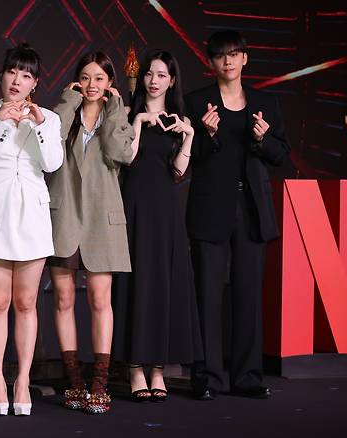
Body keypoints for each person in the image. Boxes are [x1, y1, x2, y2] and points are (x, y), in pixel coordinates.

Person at [184, 30, 290, 401]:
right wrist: (207, 134)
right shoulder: (196, 102)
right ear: (211, 63)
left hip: (251, 209)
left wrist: (262, 139)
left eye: (234, 54)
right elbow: (187, 158)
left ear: (245, 58)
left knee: (248, 295)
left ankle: (246, 376)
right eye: (220, 56)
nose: (227, 61)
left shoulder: (266, 102)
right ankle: (207, 377)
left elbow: (281, 155)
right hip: (210, 207)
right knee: (207, 295)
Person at [0, 43, 63, 416]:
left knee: (26, 302)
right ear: (1, 75)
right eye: (12, 72)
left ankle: (22, 378)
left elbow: (53, 164)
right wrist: (1, 124)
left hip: (32, 216)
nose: (17, 80)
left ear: (35, 83)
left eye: (26, 75)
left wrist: (38, 127)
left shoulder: (49, 119)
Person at [112, 49, 203, 403]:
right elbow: (128, 160)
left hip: (166, 213)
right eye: (150, 73)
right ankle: (135, 368)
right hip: (133, 209)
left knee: (163, 286)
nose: (153, 80)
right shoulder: (126, 115)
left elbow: (179, 172)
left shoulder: (178, 119)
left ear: (172, 80)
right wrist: (137, 124)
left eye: (162, 74)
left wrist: (190, 135)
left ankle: (158, 370)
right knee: (136, 284)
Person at [48, 51, 135, 414]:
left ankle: (100, 382)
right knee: (64, 300)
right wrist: (68, 101)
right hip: (64, 215)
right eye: (85, 77)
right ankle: (75, 382)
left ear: (110, 83)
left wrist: (116, 111)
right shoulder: (63, 114)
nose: (91, 85)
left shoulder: (118, 118)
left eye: (99, 78)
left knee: (100, 301)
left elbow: (122, 154)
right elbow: (48, 144)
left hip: (102, 220)